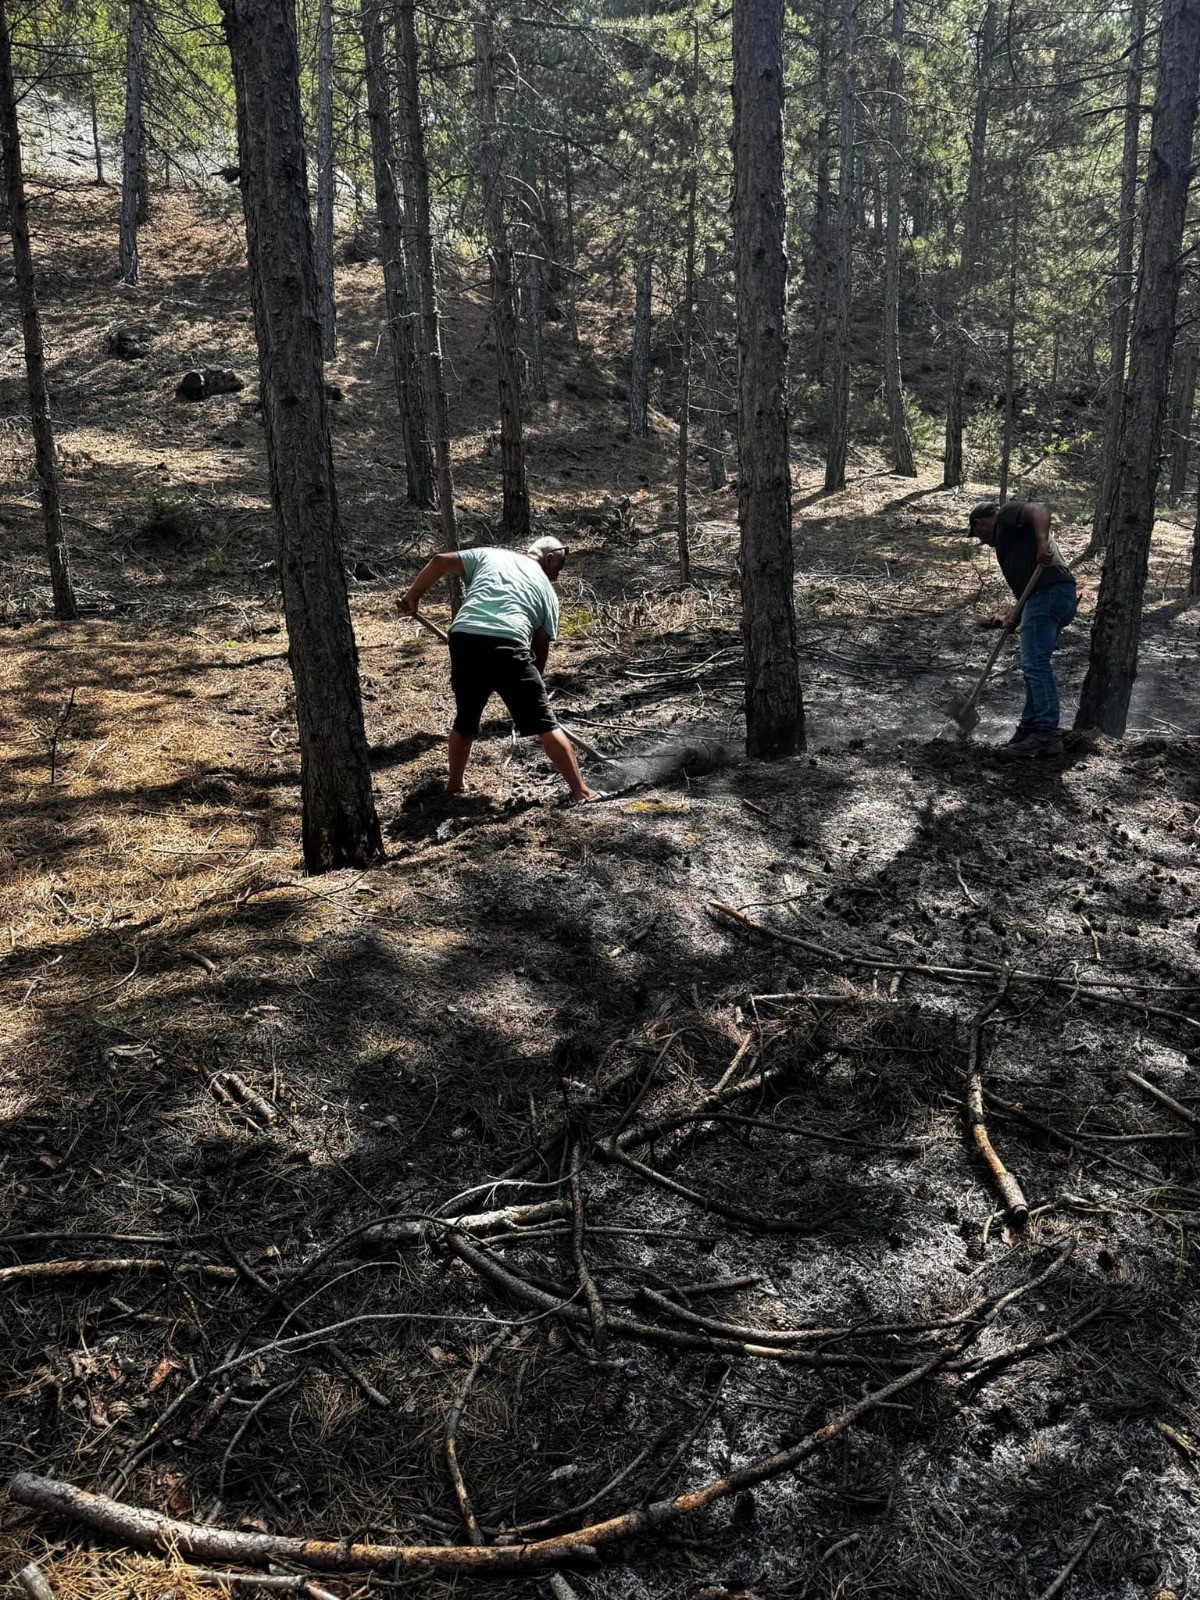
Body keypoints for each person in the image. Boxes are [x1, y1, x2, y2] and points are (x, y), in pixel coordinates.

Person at [398, 536, 603, 803]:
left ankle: (454, 785)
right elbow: (540, 648)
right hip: (508, 643)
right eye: (559, 569)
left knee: (466, 718)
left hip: (465, 639)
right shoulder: (548, 593)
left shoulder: (490, 555)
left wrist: (413, 596)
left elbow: (439, 562)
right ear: (549, 558)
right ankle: (582, 791)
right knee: (545, 724)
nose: (557, 577)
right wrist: (532, 693)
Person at [968, 500, 1078, 758]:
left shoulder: (1006, 515)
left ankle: (1046, 734)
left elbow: (1039, 509)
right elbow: (1027, 578)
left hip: (1048, 593)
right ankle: (1030, 728)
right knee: (1034, 665)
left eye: (978, 535)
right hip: (1048, 597)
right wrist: (1016, 614)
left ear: (979, 523)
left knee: (1034, 665)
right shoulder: (1011, 540)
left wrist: (1042, 544)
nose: (982, 541)